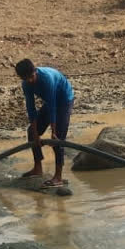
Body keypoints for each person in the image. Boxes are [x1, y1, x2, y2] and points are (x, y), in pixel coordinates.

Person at [15, 59, 75, 187]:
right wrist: (36, 134)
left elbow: (53, 106)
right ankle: (38, 168)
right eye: (26, 79)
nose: (30, 81)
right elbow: (31, 109)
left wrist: (53, 132)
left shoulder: (46, 79)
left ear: (35, 71)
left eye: (31, 77)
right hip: (50, 103)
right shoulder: (26, 84)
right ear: (22, 78)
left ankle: (58, 177)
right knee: (31, 132)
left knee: (58, 140)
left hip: (64, 100)